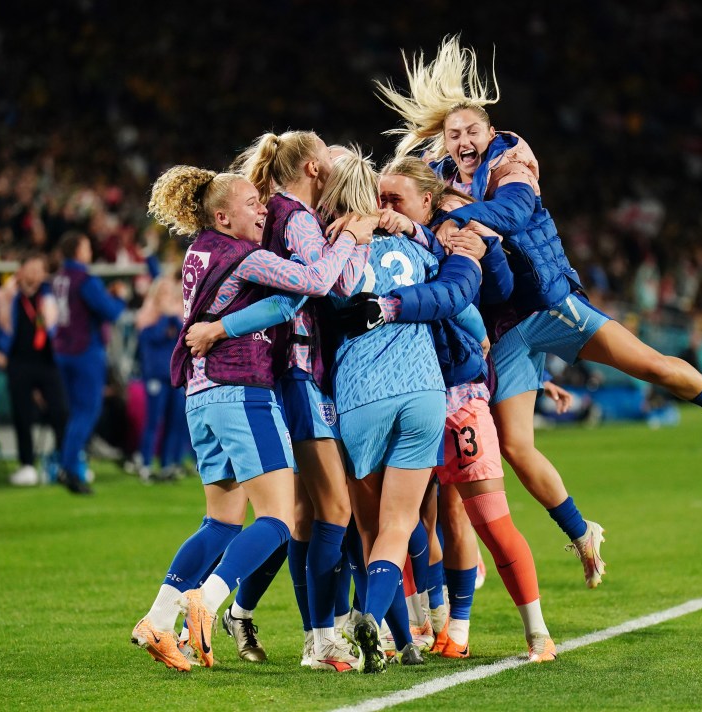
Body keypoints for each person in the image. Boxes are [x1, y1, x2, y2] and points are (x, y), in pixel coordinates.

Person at [376, 37, 702, 584]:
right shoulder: (439, 175)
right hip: (504, 329)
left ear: (490, 131)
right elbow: (402, 191)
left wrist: (452, 218)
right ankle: (580, 533)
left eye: (472, 131)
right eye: (454, 135)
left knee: (651, 366)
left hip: (551, 304)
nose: (465, 141)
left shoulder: (511, 154)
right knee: (517, 448)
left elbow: (519, 209)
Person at [130, 165, 372, 672]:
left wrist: (223, 325)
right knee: (280, 519)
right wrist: (350, 236)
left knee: (219, 523)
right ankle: (210, 597)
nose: (262, 209)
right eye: (250, 204)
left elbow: (280, 303)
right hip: (242, 391)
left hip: (201, 394)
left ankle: (156, 619)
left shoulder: (200, 250)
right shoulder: (243, 254)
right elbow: (315, 281)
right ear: (223, 216)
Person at [374, 155, 556, 662]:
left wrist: (487, 246)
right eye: (380, 199)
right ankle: (418, 627)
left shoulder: (452, 238)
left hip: (456, 397)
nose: (384, 208)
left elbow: (486, 291)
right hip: (403, 396)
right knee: (406, 523)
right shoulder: (373, 241)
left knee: (483, 521)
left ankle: (535, 632)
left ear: (426, 202)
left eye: (397, 200)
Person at [316, 148, 481, 673]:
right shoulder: (418, 247)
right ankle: (401, 637)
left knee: (368, 532)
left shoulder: (333, 247)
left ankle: (382, 630)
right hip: (422, 393)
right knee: (400, 525)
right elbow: (453, 281)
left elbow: (316, 293)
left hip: (360, 395)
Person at [225, 131, 369, 671]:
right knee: (333, 508)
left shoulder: (280, 213)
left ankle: (293, 628)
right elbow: (328, 284)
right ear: (312, 167)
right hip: (298, 370)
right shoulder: (299, 216)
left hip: (296, 368)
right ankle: (321, 638)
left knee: (305, 516)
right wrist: (355, 238)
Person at [51, 231, 127, 494]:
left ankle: (68, 465)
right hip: (85, 352)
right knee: (87, 412)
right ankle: (70, 468)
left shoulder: (59, 277)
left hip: (62, 350)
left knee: (74, 414)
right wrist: (119, 297)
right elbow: (110, 311)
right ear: (78, 251)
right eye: (86, 246)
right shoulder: (84, 278)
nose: (89, 251)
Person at [0, 252, 69, 487]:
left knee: (61, 411)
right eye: (32, 268)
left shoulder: (50, 296)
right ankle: (27, 465)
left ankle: (62, 461)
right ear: (21, 269)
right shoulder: (7, 296)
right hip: (18, 362)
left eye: (40, 269)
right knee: (22, 415)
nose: (36, 274)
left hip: (47, 361)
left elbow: (60, 325)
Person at [134, 273, 188, 481]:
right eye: (163, 292)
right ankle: (145, 463)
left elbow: (184, 335)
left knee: (175, 420)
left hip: (174, 376)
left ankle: (167, 464)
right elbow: (155, 337)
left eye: (169, 292)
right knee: (153, 421)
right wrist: (165, 316)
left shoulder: (176, 316)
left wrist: (171, 316)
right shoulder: (147, 316)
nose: (167, 296)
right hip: (155, 375)